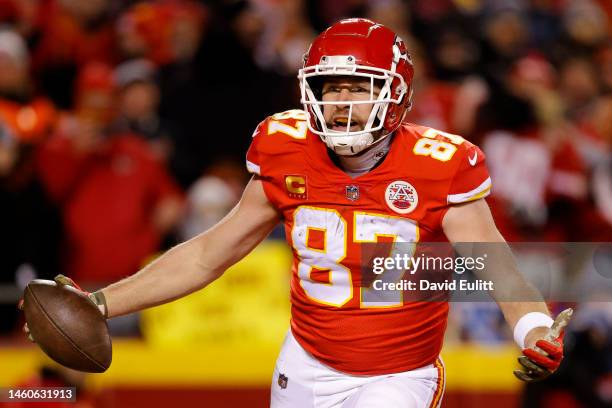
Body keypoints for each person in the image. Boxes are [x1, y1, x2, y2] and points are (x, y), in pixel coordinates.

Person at [24, 19, 572, 407]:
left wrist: (533, 329)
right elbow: (211, 252)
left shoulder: (439, 162)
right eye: (329, 88)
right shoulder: (284, 144)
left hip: (396, 375)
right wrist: (100, 301)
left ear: (397, 94)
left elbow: (494, 263)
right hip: (304, 363)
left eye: (358, 88)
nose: (339, 103)